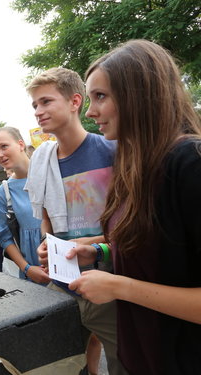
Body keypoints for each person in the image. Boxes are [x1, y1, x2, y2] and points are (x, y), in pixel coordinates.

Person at [65, 40, 201, 374]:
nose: (90, 111)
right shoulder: (135, 166)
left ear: (138, 95)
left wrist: (119, 286)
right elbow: (162, 252)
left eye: (101, 96)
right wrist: (98, 252)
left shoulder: (190, 163)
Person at [25, 68, 126, 374]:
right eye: (34, 106)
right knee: (66, 364)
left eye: (45, 102)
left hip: (110, 281)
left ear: (74, 102)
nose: (38, 112)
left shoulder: (112, 150)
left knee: (125, 361)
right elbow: (46, 222)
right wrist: (47, 244)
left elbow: (131, 227)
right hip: (63, 284)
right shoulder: (40, 162)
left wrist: (90, 244)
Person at [0, 127, 48, 283]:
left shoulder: (49, 173)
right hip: (33, 270)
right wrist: (27, 269)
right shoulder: (4, 191)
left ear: (21, 144)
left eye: (4, 146)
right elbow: (5, 238)